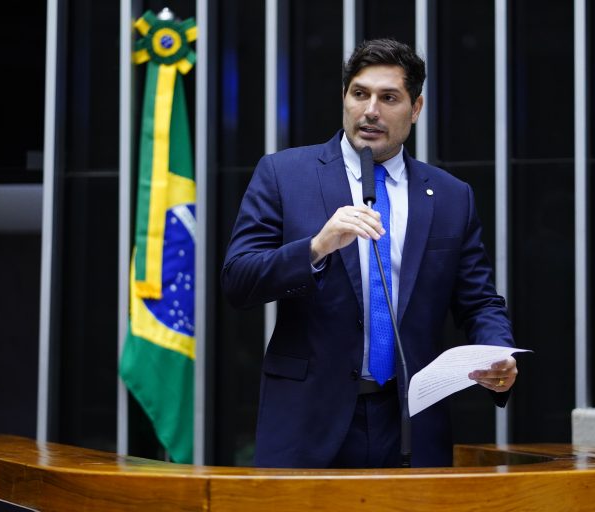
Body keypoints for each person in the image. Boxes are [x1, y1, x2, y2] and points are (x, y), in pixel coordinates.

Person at [221, 38, 518, 469]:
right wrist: (316, 247)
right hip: (307, 419)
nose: (371, 110)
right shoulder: (285, 175)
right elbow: (238, 280)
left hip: (410, 421)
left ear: (415, 109)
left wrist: (498, 355)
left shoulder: (452, 197)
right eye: (359, 94)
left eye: (389, 97)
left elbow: (478, 300)